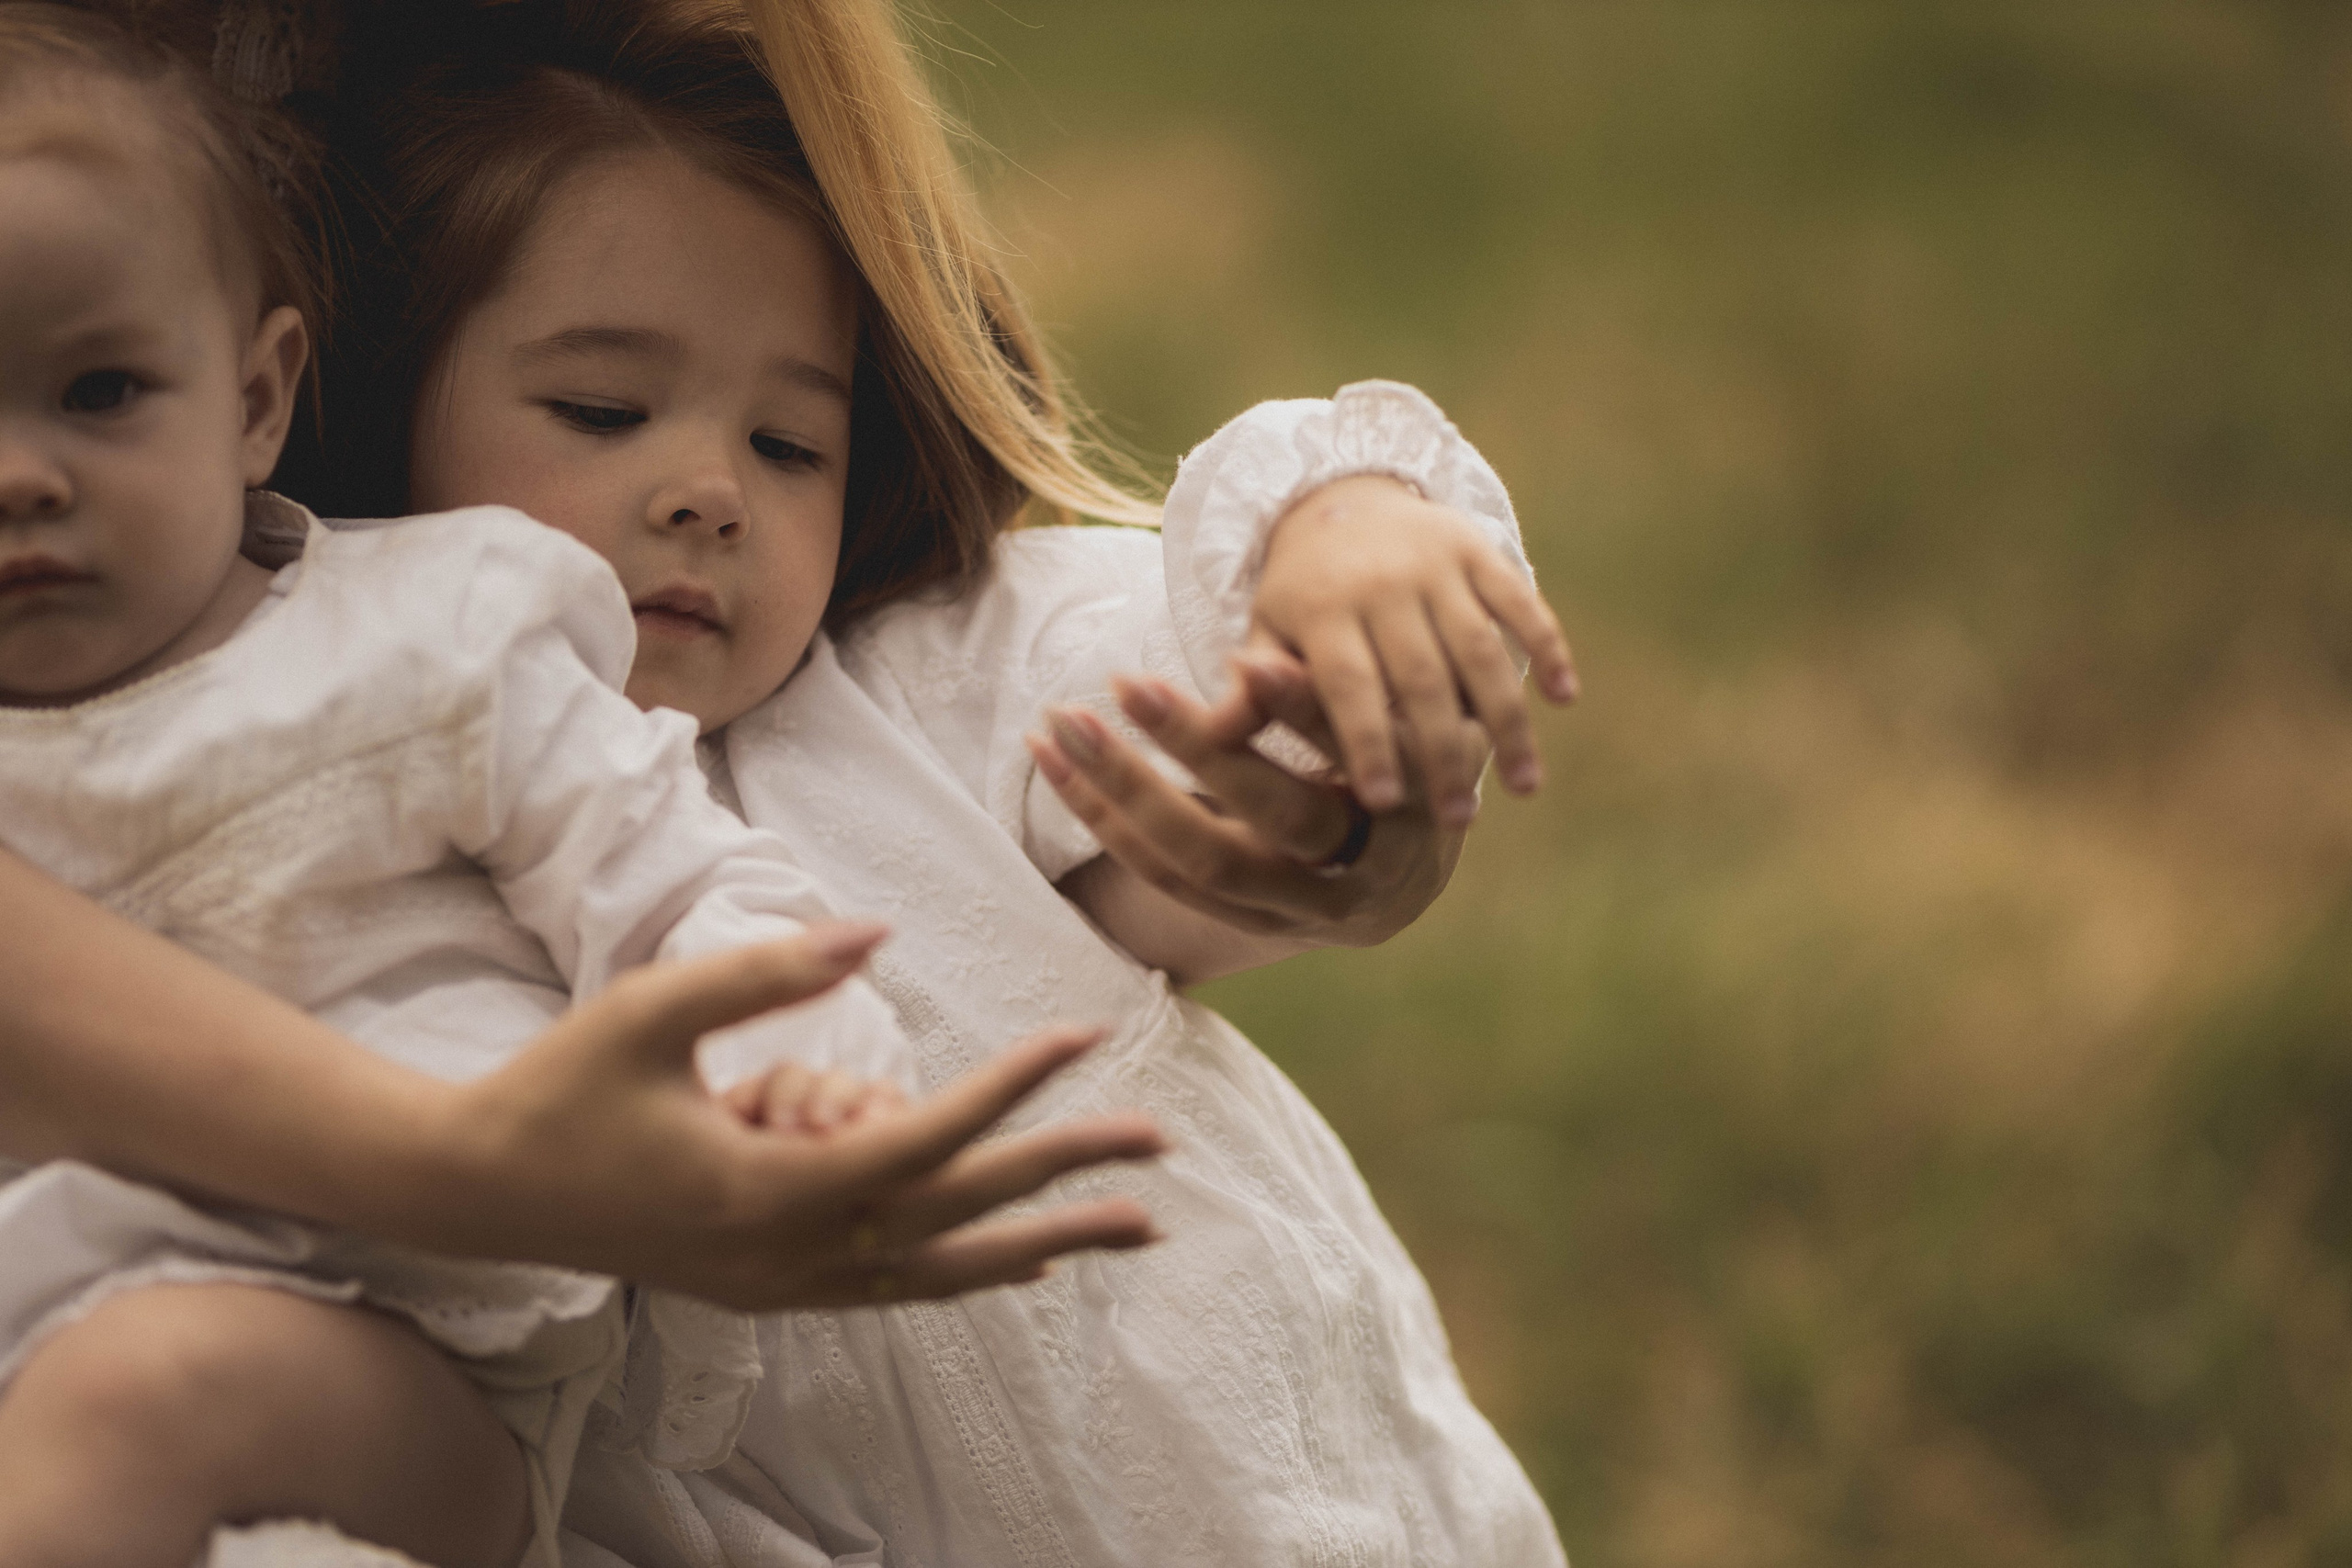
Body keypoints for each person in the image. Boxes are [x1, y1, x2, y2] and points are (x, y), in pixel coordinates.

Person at [308, 4, 1575, 1561]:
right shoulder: (351, 827)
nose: (709, 491)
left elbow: (1193, 696)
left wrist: (1340, 541)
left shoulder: (899, 688)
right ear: (382, 423)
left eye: (788, 444)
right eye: (602, 412)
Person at [0, 13, 1163, 1567]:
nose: (24, 472)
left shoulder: (430, 638)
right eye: (609, 416)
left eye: (101, 394)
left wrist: (796, 1072)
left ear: (262, 399)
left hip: (389, 1346)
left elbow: (678, 878)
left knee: (146, 1390)